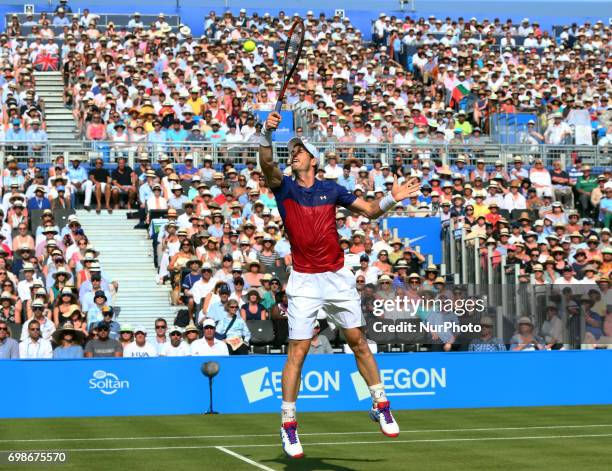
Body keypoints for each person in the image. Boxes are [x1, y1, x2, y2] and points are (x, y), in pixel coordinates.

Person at [261, 112, 419, 457]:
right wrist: (266, 134)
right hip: (304, 280)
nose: (294, 154)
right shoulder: (284, 187)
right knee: (297, 352)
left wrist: (393, 197)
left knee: (358, 342)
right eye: (292, 151)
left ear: (313, 159)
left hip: (336, 277)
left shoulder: (331, 189)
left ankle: (380, 403)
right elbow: (267, 163)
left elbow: (372, 211)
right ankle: (288, 425)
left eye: (300, 150)